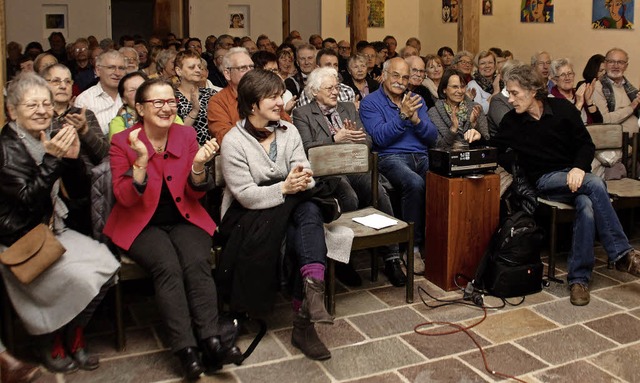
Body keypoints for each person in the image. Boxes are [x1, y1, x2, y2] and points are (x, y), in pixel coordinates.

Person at [104, 78, 239, 379]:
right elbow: (125, 198)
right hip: (140, 224)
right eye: (158, 103)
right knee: (167, 266)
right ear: (139, 107)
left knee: (196, 262)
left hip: (184, 217)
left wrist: (199, 166)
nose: (167, 108)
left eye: (171, 102)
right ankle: (185, 349)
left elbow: (196, 194)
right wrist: (140, 161)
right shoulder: (122, 141)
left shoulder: (186, 134)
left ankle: (212, 339)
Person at [491, 64, 640, 306]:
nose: (510, 98)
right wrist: (475, 138)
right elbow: (494, 148)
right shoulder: (512, 122)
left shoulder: (562, 109)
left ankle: (578, 280)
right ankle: (622, 255)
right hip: (545, 180)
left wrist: (578, 167)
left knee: (586, 205)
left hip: (575, 177)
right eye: (508, 93)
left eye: (514, 92)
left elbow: (585, 145)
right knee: (594, 185)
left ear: (532, 90)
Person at [0, 72, 119, 373]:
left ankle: (73, 333)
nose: (42, 110)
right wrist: (54, 160)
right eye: (31, 105)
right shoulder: (6, 148)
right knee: (77, 277)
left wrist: (73, 160)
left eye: (46, 104)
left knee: (107, 267)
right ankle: (48, 338)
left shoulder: (47, 136)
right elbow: (27, 201)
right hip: (20, 238)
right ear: (12, 111)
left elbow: (78, 193)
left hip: (53, 228)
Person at [219, 69, 336, 361]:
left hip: (291, 200)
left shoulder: (289, 130)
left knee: (307, 210)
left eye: (279, 94)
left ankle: (312, 295)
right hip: (250, 212)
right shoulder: (234, 141)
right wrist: (284, 188)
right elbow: (245, 194)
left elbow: (303, 170)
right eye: (271, 96)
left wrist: (301, 181)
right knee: (306, 214)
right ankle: (304, 320)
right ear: (252, 105)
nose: (279, 101)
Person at [293, 67, 407, 287]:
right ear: (315, 91)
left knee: (378, 192)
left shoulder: (347, 108)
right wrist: (336, 139)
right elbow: (307, 149)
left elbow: (368, 141)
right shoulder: (303, 114)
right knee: (349, 197)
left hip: (355, 167)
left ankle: (392, 258)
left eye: (336, 87)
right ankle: (344, 260)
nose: (335, 92)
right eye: (329, 88)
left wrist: (354, 140)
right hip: (328, 173)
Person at [359, 57, 438, 273]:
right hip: (390, 157)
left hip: (421, 156)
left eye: (405, 77)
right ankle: (411, 249)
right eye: (395, 75)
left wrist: (416, 121)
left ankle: (439, 246)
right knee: (414, 183)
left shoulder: (416, 99)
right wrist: (403, 116)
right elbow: (379, 138)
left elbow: (433, 137)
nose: (400, 81)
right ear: (384, 75)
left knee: (444, 183)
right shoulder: (370, 103)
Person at [428, 69, 489, 149]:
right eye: (455, 87)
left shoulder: (476, 108)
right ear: (444, 89)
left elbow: (486, 141)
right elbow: (437, 147)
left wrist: (474, 125)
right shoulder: (434, 113)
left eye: (462, 86)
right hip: (446, 160)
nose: (460, 91)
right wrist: (453, 130)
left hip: (474, 158)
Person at [75, 50, 126, 135]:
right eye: (111, 67)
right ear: (98, 70)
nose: (117, 73)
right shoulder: (84, 100)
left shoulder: (132, 95)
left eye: (121, 68)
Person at [592, 47, 640, 134]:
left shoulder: (630, 88)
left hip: (635, 140)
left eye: (620, 62)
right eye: (611, 62)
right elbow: (604, 120)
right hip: (618, 142)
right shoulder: (598, 87)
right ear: (605, 64)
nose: (616, 66)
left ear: (626, 66)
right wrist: (631, 107)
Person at [175, 49, 217, 144]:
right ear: (179, 71)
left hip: (213, 150)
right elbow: (176, 133)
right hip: (185, 151)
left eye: (199, 66)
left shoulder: (211, 94)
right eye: (191, 67)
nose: (198, 70)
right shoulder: (171, 97)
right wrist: (195, 110)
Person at [549, 58, 602, 125]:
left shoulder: (579, 94)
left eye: (570, 73)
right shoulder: (551, 100)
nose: (567, 78)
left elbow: (599, 122)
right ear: (554, 80)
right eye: (562, 75)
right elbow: (566, 126)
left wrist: (588, 101)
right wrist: (579, 103)